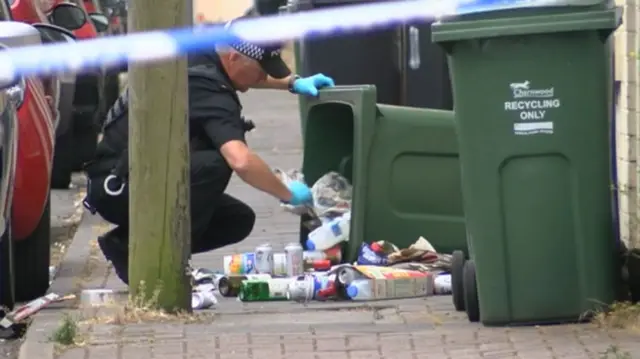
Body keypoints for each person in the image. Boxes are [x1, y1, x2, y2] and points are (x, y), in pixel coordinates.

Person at [82, 20, 335, 285]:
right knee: (216, 164)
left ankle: (125, 244)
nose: (263, 77)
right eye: (262, 70)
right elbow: (241, 161)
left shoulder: (200, 57)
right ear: (235, 57)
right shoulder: (213, 93)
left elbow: (245, 71)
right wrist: (287, 192)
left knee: (237, 220)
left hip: (119, 176)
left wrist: (291, 83)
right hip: (120, 188)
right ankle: (157, 265)